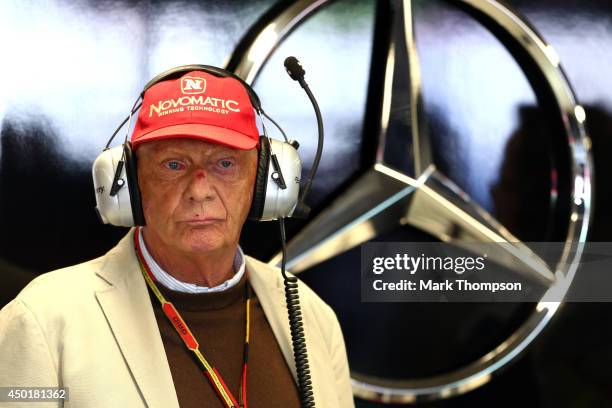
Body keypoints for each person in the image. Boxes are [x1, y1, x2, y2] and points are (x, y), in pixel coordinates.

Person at [0, 68, 354, 407]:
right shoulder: (42, 321)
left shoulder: (310, 315)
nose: (199, 191)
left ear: (265, 183)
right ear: (130, 186)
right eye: (173, 164)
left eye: (225, 164)